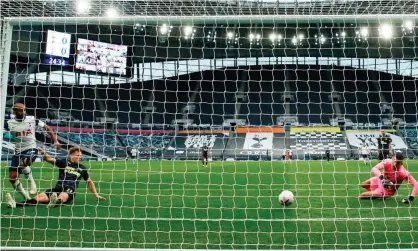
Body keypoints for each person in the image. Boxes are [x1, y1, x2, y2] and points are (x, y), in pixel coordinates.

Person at [6, 147, 105, 208]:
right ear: (71, 155)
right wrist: (44, 153)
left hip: (69, 189)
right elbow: (49, 159)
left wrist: (96, 195)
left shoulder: (82, 168)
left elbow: (89, 181)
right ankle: (15, 204)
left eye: (80, 155)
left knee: (63, 195)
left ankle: (55, 202)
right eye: (78, 155)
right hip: (57, 188)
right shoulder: (63, 162)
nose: (80, 157)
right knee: (39, 197)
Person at [5, 103, 60, 200]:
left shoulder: (32, 119)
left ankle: (31, 180)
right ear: (15, 111)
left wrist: (55, 140)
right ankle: (26, 197)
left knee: (26, 160)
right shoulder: (9, 123)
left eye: (24, 110)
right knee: (12, 177)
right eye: (20, 110)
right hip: (18, 151)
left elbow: (47, 128)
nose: (23, 112)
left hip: (31, 148)